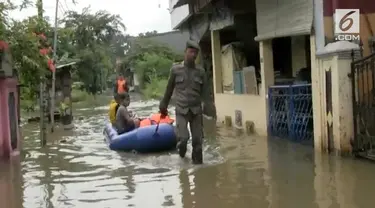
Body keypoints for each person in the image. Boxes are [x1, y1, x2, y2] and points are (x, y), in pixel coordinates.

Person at [159, 40, 215, 164]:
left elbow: (206, 94)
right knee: (183, 139)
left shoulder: (200, 72)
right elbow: (169, 90)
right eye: (191, 52)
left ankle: (199, 172)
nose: (193, 55)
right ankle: (182, 156)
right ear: (185, 52)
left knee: (197, 142)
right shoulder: (175, 70)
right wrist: (163, 106)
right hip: (181, 110)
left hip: (196, 111)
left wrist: (211, 111)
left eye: (195, 53)